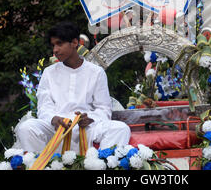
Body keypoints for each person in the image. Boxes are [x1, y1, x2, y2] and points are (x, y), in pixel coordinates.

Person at [15, 21, 131, 154]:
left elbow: (103, 108)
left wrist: (90, 118)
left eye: (59, 44)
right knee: (26, 128)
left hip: (86, 128)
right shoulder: (49, 72)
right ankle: (44, 166)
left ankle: (100, 166)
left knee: (120, 129)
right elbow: (44, 107)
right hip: (56, 127)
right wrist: (54, 119)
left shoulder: (96, 72)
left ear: (75, 43)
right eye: (53, 45)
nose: (55, 50)